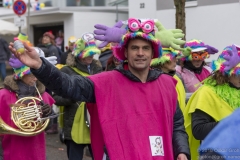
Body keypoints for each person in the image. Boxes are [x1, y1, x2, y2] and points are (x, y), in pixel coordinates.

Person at [9, 18, 190, 160]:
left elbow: (176, 124)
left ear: (153, 53)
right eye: (134, 48)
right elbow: (68, 85)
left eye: (145, 48)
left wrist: (182, 150)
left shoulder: (167, 84)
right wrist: (40, 66)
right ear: (125, 53)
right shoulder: (107, 82)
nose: (140, 53)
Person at [183, 45, 240, 160]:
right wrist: (232, 123)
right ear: (226, 72)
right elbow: (198, 130)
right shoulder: (206, 93)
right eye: (238, 73)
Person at [53, 33, 101, 160]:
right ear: (79, 54)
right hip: (73, 124)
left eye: (92, 53)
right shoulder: (66, 71)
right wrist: (73, 96)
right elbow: (56, 98)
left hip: (95, 122)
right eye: (87, 54)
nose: (91, 56)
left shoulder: (98, 69)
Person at [0, 51, 54, 160]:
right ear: (21, 74)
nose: (35, 79)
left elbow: (48, 127)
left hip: (36, 149)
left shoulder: (43, 95)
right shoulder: (3, 95)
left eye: (37, 75)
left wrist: (47, 115)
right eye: (31, 75)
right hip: (11, 149)